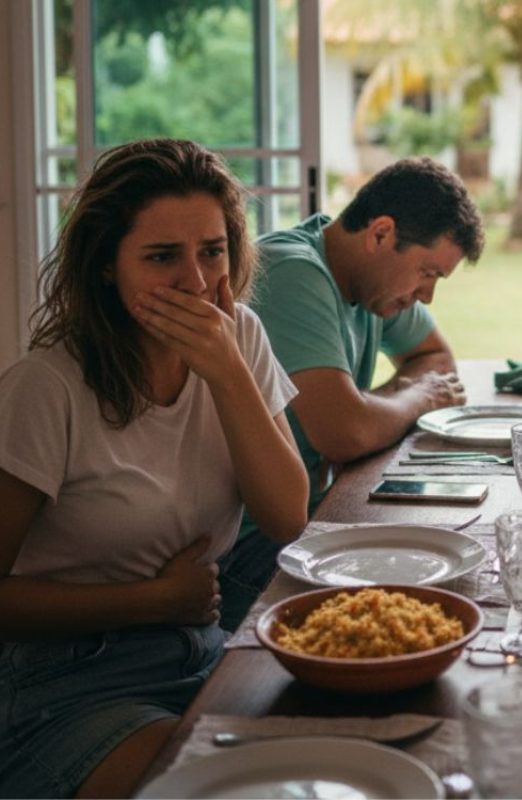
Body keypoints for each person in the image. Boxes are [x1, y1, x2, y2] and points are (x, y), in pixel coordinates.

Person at [0, 139, 309, 797]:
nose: (195, 282)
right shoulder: (46, 386)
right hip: (62, 681)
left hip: (197, 647)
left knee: (330, 750)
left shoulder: (239, 338)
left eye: (213, 251)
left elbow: (287, 516)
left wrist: (227, 374)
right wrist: (152, 601)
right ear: (106, 266)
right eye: (163, 257)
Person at [218, 157, 486, 630]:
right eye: (427, 272)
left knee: (463, 556)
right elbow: (346, 433)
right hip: (243, 550)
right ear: (381, 234)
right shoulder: (292, 271)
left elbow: (436, 359)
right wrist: (415, 398)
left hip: (318, 511)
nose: (427, 296)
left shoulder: (371, 285)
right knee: (433, 600)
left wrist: (372, 408)